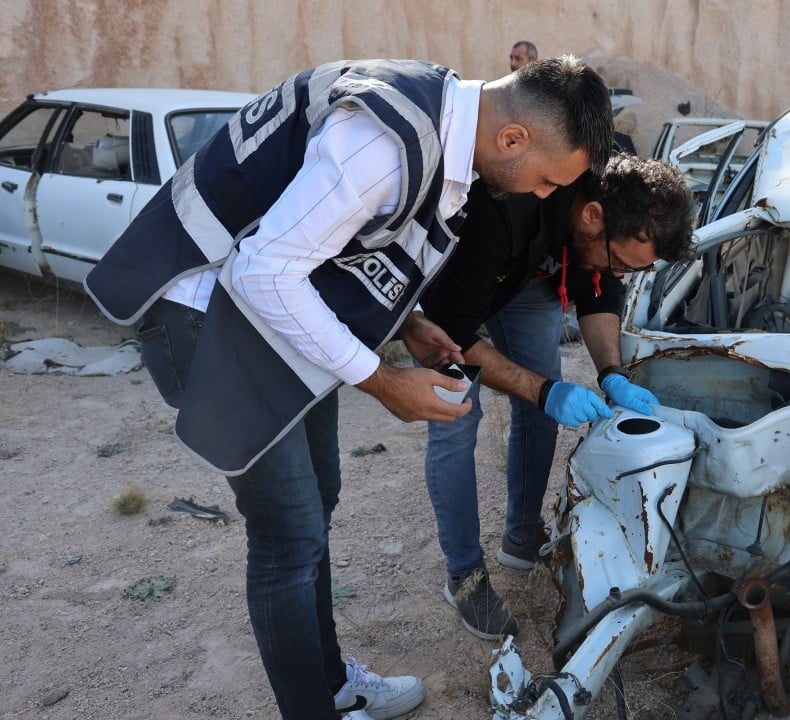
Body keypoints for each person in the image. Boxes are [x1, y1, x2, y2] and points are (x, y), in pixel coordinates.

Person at [84, 57, 613, 720]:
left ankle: (331, 682)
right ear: (513, 139)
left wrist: (410, 323)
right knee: (288, 534)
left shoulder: (442, 118)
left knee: (320, 499)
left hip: (271, 314)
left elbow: (335, 242)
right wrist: (383, 382)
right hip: (205, 312)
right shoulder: (384, 143)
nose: (542, 198)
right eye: (544, 181)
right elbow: (263, 274)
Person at [419, 155, 693, 639]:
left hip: (531, 274)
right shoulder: (503, 205)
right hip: (461, 274)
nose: (620, 273)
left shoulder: (616, 190)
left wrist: (611, 373)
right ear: (592, 216)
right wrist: (544, 391)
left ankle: (522, 537)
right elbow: (456, 330)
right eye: (620, 262)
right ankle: (464, 576)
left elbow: (599, 288)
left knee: (542, 406)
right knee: (456, 411)